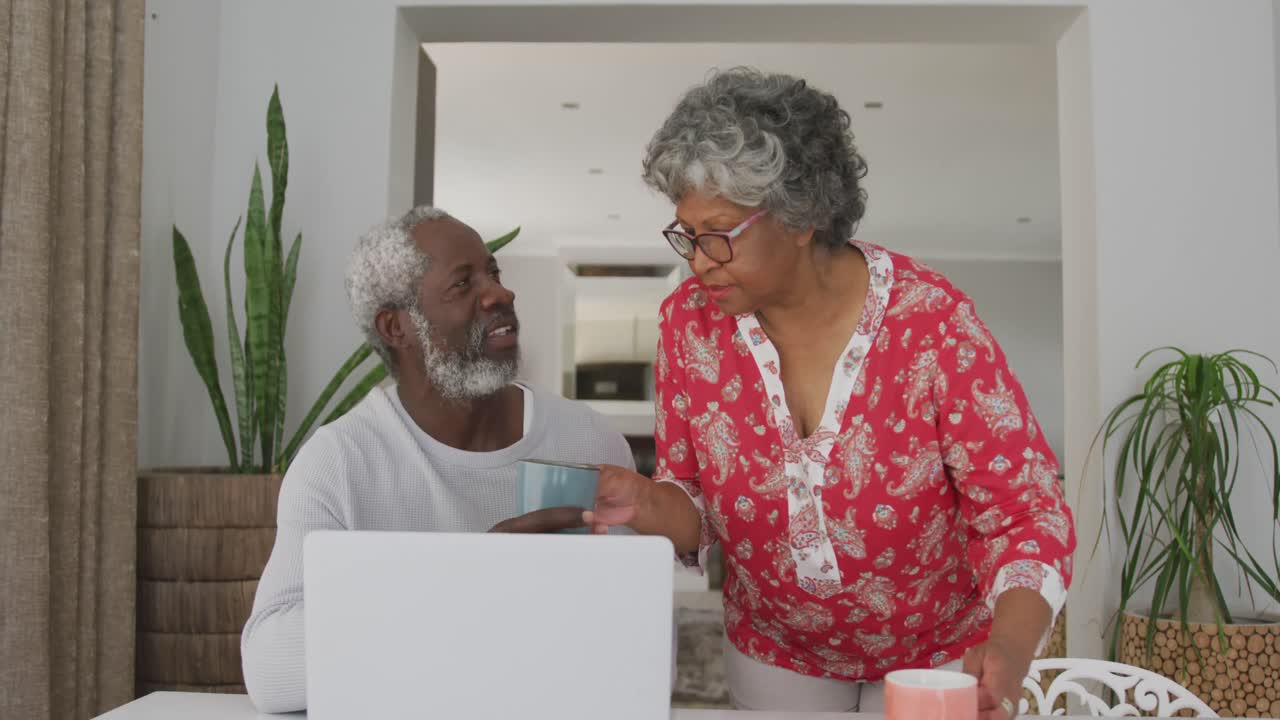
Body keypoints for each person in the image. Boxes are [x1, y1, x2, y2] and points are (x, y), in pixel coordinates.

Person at [586, 68, 1076, 719]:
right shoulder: (688, 324)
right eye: (686, 233)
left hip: (935, 654)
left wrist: (1010, 650)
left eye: (720, 232)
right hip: (775, 652)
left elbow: (1024, 508)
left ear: (800, 218)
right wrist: (647, 499)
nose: (698, 259)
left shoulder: (929, 320)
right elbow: (695, 500)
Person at [241, 207, 636, 713]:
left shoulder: (589, 441)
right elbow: (271, 670)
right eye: (463, 284)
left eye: (494, 273)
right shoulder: (338, 462)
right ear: (397, 327)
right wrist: (464, 581)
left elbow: (637, 636)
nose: (500, 293)